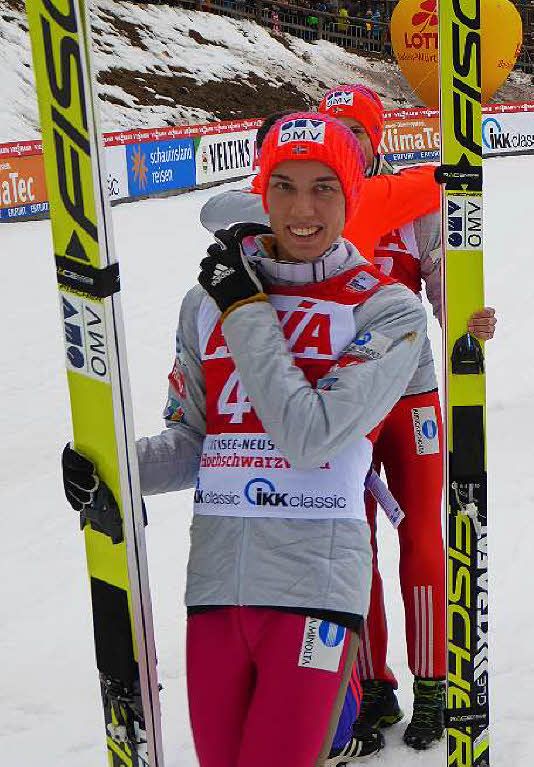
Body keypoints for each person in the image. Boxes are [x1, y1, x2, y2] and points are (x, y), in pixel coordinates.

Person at [61, 114, 428, 765]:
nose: (303, 207)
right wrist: (115, 465)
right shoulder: (203, 304)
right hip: (216, 590)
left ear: (353, 196)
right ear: (262, 191)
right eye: (284, 185)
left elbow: (309, 437)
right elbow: (193, 443)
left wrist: (246, 308)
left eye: (325, 187)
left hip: (314, 589)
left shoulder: (384, 308)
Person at [315, 85, 496, 764]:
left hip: (412, 394)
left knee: (424, 537)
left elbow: (448, 280)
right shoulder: (314, 211)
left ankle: (432, 683)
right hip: (344, 403)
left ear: (375, 139)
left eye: (355, 133)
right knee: (349, 545)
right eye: (334, 132)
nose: (346, 145)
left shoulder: (407, 204)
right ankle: (368, 687)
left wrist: (469, 321)